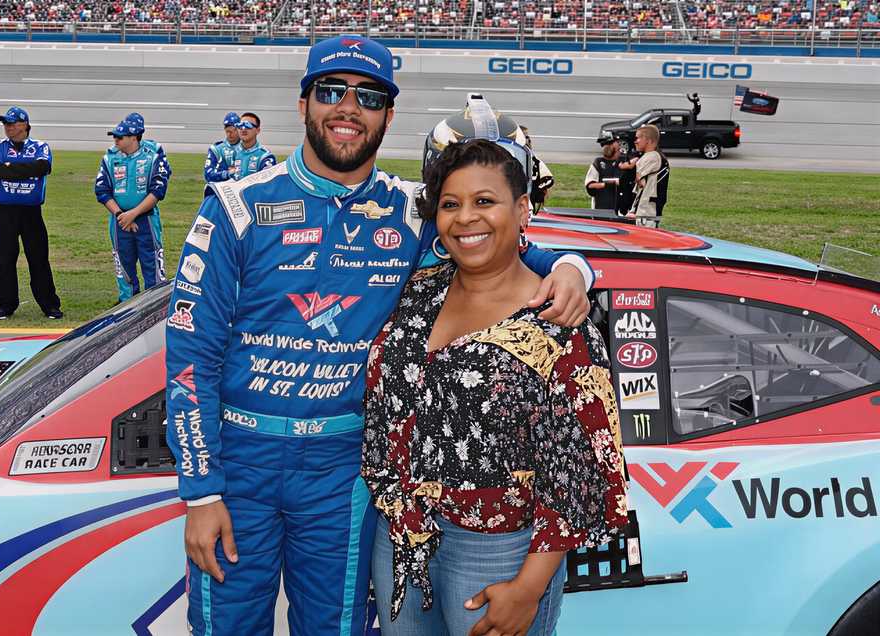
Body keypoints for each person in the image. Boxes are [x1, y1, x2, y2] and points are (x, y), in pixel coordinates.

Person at [165, 35, 595, 636]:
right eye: (331, 92)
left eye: (368, 97)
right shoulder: (237, 207)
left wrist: (574, 267)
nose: (348, 108)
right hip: (242, 462)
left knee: (335, 629)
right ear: (304, 104)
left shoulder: (412, 211)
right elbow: (191, 358)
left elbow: (498, 246)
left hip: (344, 468)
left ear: (388, 115)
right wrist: (202, 492)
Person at [363, 138, 629, 636]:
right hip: (399, 534)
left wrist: (528, 590)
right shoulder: (420, 292)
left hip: (496, 549)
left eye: (484, 201)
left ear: (522, 209)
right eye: (450, 204)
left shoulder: (557, 323)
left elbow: (577, 477)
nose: (466, 218)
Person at [0, 106, 61, 320]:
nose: (7, 127)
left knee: (38, 258)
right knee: (5, 258)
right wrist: (24, 170)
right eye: (5, 124)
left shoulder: (40, 146)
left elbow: (42, 168)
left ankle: (49, 304)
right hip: (4, 211)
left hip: (31, 212)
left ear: (25, 125)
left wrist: (12, 168)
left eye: (12, 123)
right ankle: (6, 305)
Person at [94, 113, 172, 303]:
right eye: (114, 136)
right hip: (119, 221)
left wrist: (134, 214)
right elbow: (102, 190)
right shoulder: (109, 159)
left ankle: (155, 304)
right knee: (123, 265)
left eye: (120, 137)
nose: (116, 140)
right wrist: (121, 215)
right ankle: (126, 305)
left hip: (146, 219)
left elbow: (158, 190)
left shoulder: (152, 157)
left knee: (152, 264)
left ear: (134, 137)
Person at [629, 124, 669, 228]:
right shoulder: (656, 156)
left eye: (638, 138)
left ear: (648, 140)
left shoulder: (652, 157)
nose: (635, 141)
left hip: (646, 217)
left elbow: (639, 181)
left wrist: (630, 166)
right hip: (646, 215)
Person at [584, 131, 625, 212]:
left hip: (621, 209)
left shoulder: (624, 162)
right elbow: (590, 185)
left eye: (610, 143)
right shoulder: (598, 163)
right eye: (604, 144)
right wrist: (607, 184)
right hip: (601, 209)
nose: (606, 146)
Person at [230, 112, 276, 179]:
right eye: (240, 125)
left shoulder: (265, 156)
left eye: (248, 125)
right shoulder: (232, 153)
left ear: (258, 130)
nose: (243, 129)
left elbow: (268, 185)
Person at [205, 111, 241, 183]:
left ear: (239, 129)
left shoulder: (247, 147)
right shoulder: (216, 149)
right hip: (222, 189)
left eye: (233, 131)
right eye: (227, 131)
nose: (229, 134)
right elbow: (208, 175)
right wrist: (227, 174)